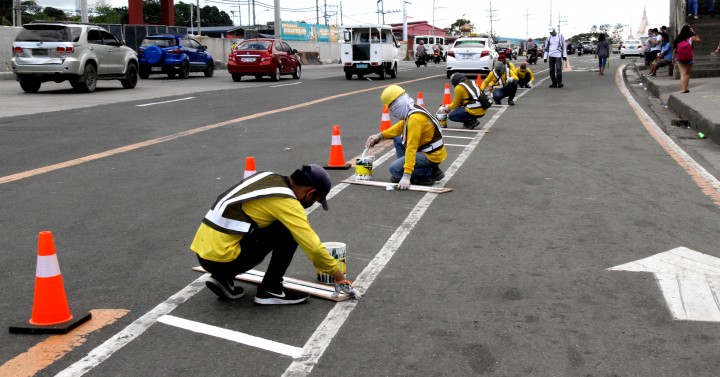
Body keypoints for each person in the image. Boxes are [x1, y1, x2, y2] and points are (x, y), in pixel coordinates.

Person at [190, 164, 351, 305]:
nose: (311, 203)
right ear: (310, 193)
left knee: (266, 223)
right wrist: (338, 276)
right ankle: (270, 289)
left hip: (203, 254)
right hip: (223, 259)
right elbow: (314, 248)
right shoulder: (287, 202)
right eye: (316, 199)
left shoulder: (267, 177)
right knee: (288, 230)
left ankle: (223, 279)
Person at [365, 85, 447, 189]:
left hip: (431, 154)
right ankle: (414, 170)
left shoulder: (415, 119)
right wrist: (380, 136)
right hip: (429, 150)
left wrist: (406, 176)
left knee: (394, 170)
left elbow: (411, 147)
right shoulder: (412, 108)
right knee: (398, 139)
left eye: (391, 108)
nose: (392, 112)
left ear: (396, 105)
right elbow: (401, 126)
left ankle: (429, 172)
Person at [673, 24, 701, 93]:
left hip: (680, 58)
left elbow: (674, 50)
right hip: (689, 58)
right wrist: (694, 33)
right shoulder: (691, 38)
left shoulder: (678, 38)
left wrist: (673, 58)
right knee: (687, 74)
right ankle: (685, 89)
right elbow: (699, 40)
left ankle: (683, 89)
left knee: (682, 74)